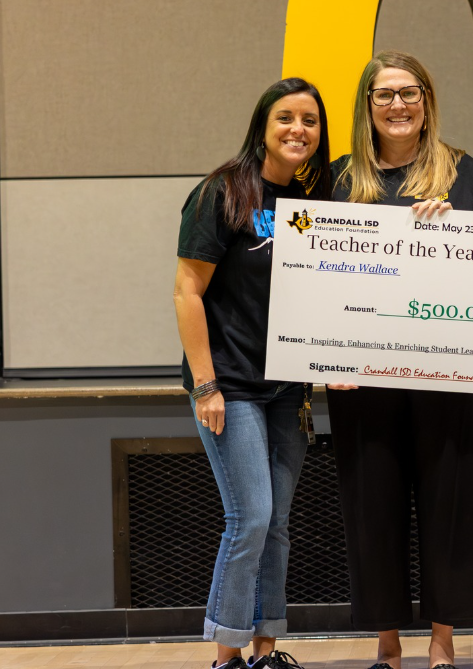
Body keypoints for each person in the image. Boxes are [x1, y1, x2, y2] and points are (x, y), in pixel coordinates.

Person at [325, 50, 473, 669]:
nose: (397, 105)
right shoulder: (338, 180)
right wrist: (323, 356)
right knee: (372, 504)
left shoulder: (464, 172)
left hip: (449, 374)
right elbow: (311, 278)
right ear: (366, 105)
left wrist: (454, 229)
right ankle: (387, 642)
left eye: (409, 93)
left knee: (451, 501)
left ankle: (442, 641)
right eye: (384, 94)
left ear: (427, 101)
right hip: (361, 378)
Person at [173, 78, 332, 669]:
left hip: (288, 388)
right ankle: (226, 656)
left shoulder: (312, 203)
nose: (298, 130)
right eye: (286, 117)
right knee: (251, 518)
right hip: (230, 386)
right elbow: (187, 291)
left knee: (278, 523)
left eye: (309, 120)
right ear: (262, 126)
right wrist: (206, 385)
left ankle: (266, 649)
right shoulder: (222, 191)